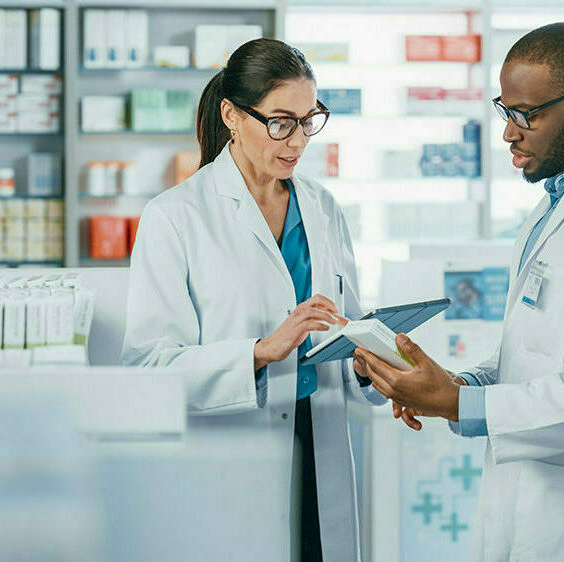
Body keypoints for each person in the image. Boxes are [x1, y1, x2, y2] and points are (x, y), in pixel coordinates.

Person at [355, 22, 564, 561]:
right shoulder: (560, 203)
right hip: (545, 509)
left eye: (527, 115)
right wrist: (455, 384)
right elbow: (534, 353)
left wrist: (461, 403)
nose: (508, 133)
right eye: (505, 111)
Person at [121, 38, 385, 562]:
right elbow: (148, 366)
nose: (297, 141)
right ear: (232, 115)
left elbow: (345, 321)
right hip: (233, 453)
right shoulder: (176, 216)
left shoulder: (323, 207)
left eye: (310, 120)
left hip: (321, 443)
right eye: (281, 122)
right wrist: (260, 351)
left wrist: (367, 358)